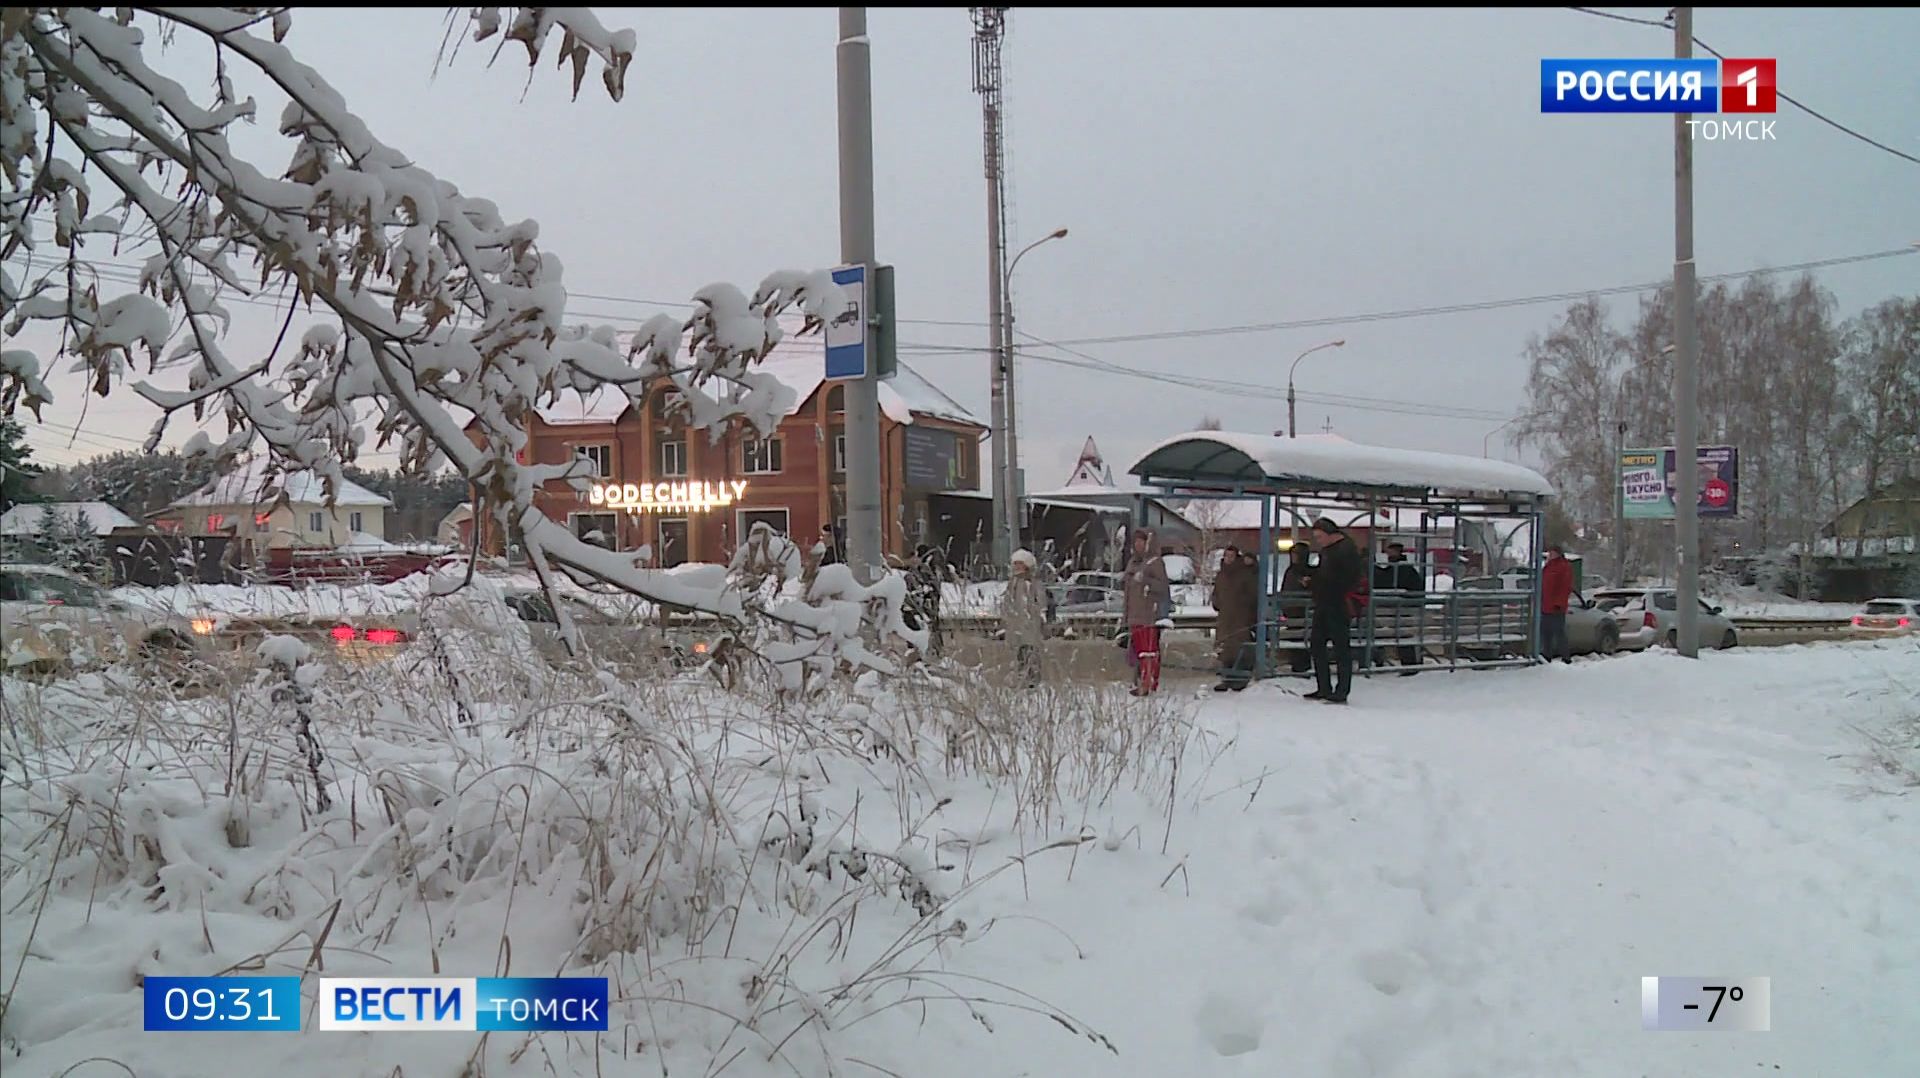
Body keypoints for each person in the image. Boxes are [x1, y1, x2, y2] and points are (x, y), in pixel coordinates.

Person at [1305, 518, 1364, 704]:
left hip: (1338, 603)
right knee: (1317, 644)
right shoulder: (1329, 551)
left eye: (1320, 537)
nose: (1318, 541)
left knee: (1340, 648)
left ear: (1331, 534)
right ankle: (1324, 687)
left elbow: (1341, 579)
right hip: (1325, 601)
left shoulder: (1346, 550)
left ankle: (1341, 690)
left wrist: (1315, 582)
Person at [1122, 527, 1172, 697]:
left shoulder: (1155, 562)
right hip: (1134, 615)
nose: (1137, 545)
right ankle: (1141, 680)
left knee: (1148, 651)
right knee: (1138, 652)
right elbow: (1128, 592)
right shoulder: (1132, 563)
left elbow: (1163, 587)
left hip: (1149, 614)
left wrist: (1146, 581)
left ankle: (1148, 683)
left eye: (1141, 541)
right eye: (1135, 541)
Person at [1371, 541, 1426, 675]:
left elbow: (1384, 583)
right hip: (1407, 610)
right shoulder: (1407, 569)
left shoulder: (1398, 569)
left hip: (1400, 610)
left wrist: (1371, 568)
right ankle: (1409, 663)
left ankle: (1382, 660)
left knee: (1390, 631)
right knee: (1401, 633)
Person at [1211, 544, 1259, 692]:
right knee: (1225, 649)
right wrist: (1217, 603)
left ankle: (1240, 679)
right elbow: (1216, 593)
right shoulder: (1221, 575)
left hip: (1240, 617)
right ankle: (1226, 678)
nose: (1228, 559)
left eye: (1231, 556)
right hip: (1225, 617)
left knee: (1240, 647)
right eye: (1226, 556)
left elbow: (1252, 594)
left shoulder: (1244, 574)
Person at [1001, 548, 1048, 687]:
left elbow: (1040, 603)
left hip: (1030, 627)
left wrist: (1037, 618)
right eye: (1015, 564)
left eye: (1019, 564)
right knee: (1019, 655)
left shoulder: (1033, 583)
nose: (1016, 567)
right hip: (1016, 627)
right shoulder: (1012, 583)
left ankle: (1032, 681)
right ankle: (1021, 679)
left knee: (1031, 654)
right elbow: (1008, 603)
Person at [1280, 542, 1313, 674]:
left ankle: (1302, 665)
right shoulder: (1291, 571)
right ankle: (1297, 664)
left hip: (1303, 610)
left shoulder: (1306, 571)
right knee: (1294, 637)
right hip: (1292, 610)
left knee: (1301, 637)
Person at [1540, 543, 1575, 664]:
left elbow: (1565, 587)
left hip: (1556, 607)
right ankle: (1546, 655)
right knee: (1546, 632)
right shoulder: (1548, 566)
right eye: (1549, 553)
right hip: (1545, 605)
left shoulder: (1563, 566)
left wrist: (1559, 603)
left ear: (1558, 554)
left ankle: (1566, 657)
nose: (1550, 555)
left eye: (1552, 553)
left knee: (1559, 632)